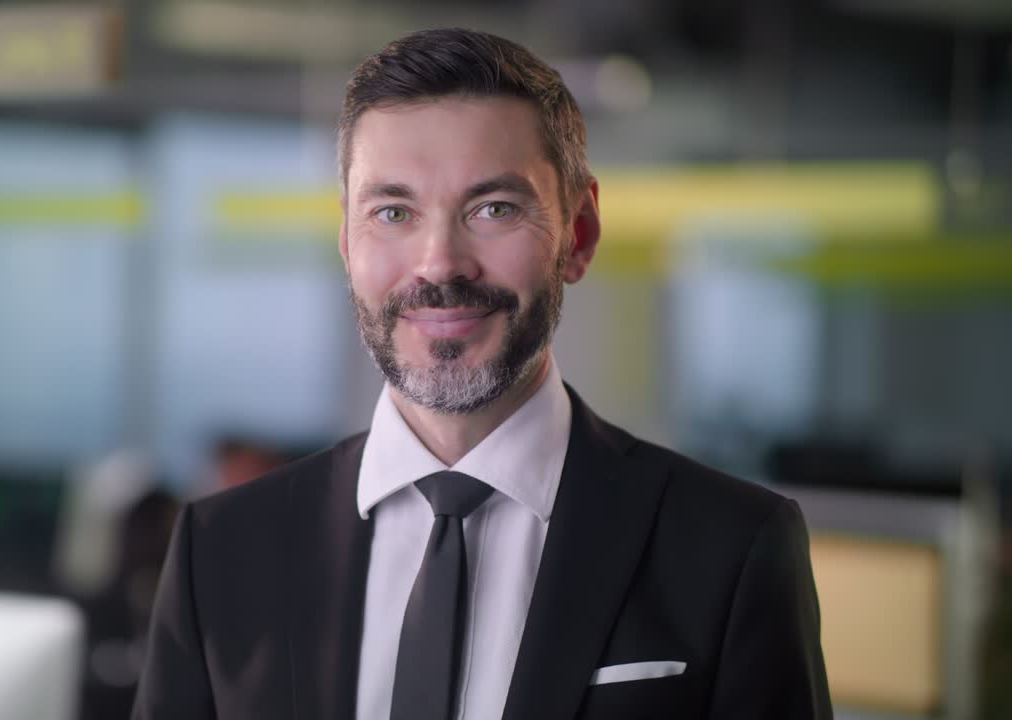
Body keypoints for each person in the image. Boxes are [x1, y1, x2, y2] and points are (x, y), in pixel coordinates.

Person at [133, 28, 831, 720]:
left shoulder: (731, 547)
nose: (440, 263)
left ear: (578, 235)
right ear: (347, 244)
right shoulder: (219, 550)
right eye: (393, 212)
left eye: (493, 209)